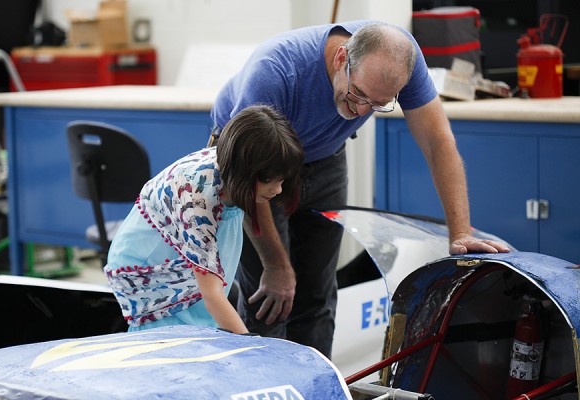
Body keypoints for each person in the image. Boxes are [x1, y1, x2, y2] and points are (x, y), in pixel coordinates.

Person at [210, 20, 511, 357]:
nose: (361, 110)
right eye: (358, 95)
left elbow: (438, 142)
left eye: (378, 104)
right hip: (251, 163)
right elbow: (248, 175)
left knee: (318, 296)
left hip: (325, 157)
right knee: (270, 297)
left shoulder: (400, 61)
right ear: (342, 58)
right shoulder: (275, 71)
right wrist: (276, 265)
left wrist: (460, 232)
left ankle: (316, 389)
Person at [104, 105, 304, 334]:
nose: (278, 189)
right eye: (270, 179)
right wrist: (250, 345)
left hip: (186, 250)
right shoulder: (197, 198)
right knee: (173, 339)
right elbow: (212, 295)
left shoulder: (233, 171)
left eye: (281, 180)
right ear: (243, 171)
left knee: (204, 319)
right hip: (151, 263)